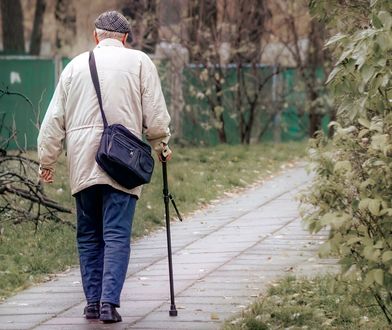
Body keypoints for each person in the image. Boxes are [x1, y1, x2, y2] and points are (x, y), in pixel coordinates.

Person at [38, 10, 171, 324]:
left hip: (84, 162)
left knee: (88, 236)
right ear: (125, 38)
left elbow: (54, 119)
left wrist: (47, 160)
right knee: (116, 235)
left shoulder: (74, 67)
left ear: (96, 36)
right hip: (121, 162)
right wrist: (161, 146)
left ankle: (91, 304)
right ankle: (109, 303)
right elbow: (155, 113)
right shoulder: (140, 62)